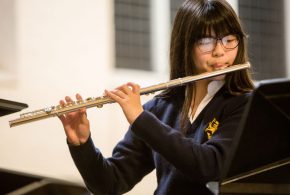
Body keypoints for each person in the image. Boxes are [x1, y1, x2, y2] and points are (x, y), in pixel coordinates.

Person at [58, 0, 254, 194]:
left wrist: (140, 119)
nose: (220, 52)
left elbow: (210, 166)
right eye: (206, 41)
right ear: (185, 45)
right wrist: (82, 144)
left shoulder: (246, 105)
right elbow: (111, 183)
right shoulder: (159, 109)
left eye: (229, 40)